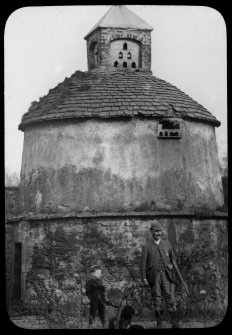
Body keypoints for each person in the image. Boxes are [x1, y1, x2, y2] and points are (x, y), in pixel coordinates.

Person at [141, 221, 179, 328]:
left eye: (160, 231)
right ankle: (159, 323)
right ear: (151, 232)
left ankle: (174, 323)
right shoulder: (146, 246)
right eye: (156, 231)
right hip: (154, 276)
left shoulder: (167, 244)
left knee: (170, 297)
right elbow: (143, 265)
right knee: (157, 299)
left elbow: (173, 258)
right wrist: (144, 278)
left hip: (167, 276)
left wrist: (171, 264)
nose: (158, 233)